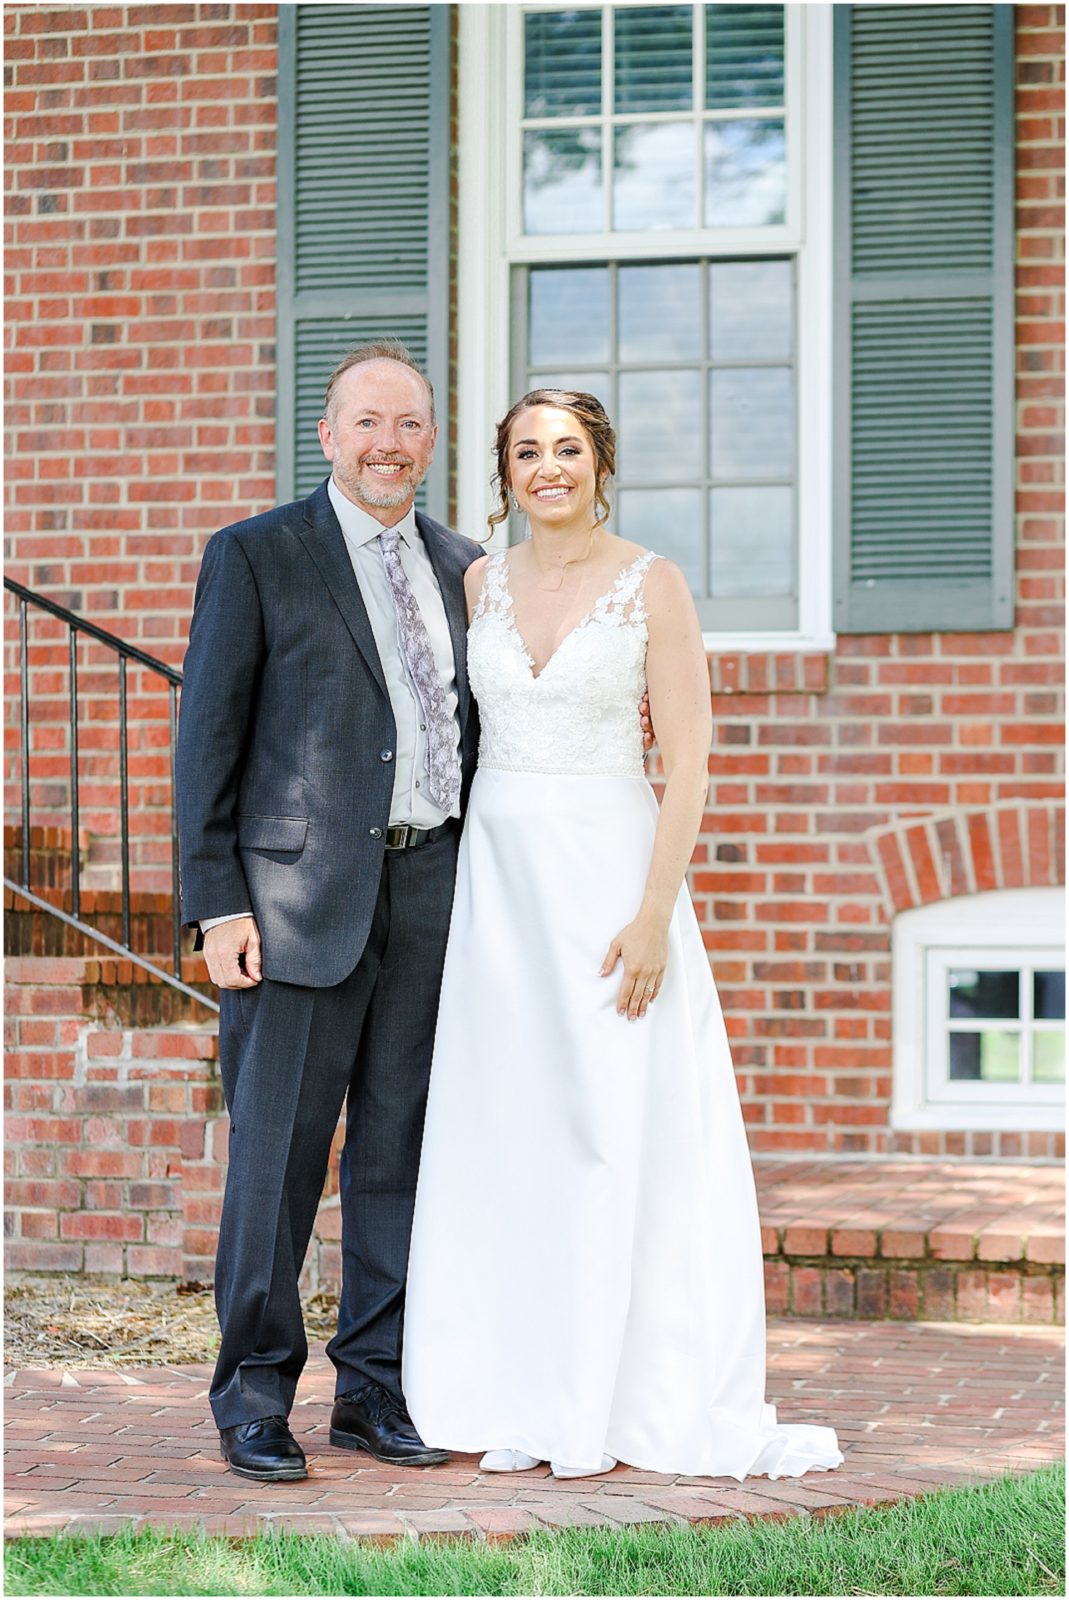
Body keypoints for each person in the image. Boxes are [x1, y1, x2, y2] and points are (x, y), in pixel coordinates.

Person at [402, 390, 844, 1480]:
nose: (546, 468)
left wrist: (653, 914)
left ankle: (608, 1393)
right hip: (500, 888)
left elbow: (687, 759)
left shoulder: (653, 584)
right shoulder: (479, 582)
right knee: (508, 1132)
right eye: (525, 452)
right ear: (502, 474)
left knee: (608, 1129)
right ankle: (515, 1388)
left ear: (601, 466)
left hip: (610, 880)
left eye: (566, 449)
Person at [175, 342, 483, 1482]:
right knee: (276, 1165)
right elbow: (206, 733)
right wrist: (215, 903)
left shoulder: (464, 565)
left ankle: (375, 1389)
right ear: (327, 434)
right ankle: (254, 1396)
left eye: (408, 423)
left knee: (400, 1158)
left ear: (430, 439)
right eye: (367, 421)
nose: (387, 443)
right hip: (293, 905)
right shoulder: (257, 555)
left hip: (432, 896)